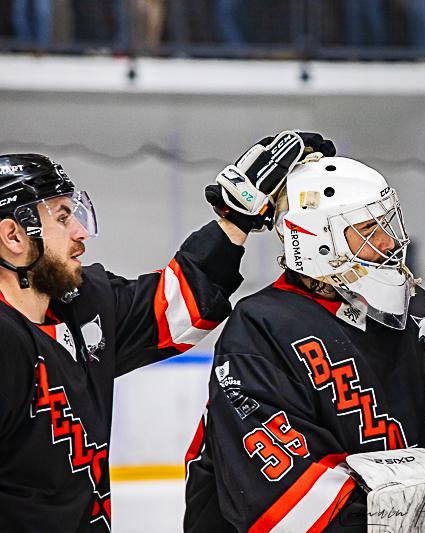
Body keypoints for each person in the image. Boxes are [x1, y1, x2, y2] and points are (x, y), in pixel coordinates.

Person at [183, 152, 425, 531]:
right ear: (319, 241)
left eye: (387, 223)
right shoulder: (262, 327)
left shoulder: (418, 312)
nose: (390, 241)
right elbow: (284, 503)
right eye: (369, 229)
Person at [0, 132, 312, 531]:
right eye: (62, 217)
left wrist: (236, 218)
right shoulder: (7, 342)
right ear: (13, 236)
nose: (80, 231)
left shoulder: (82, 308)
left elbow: (178, 307)